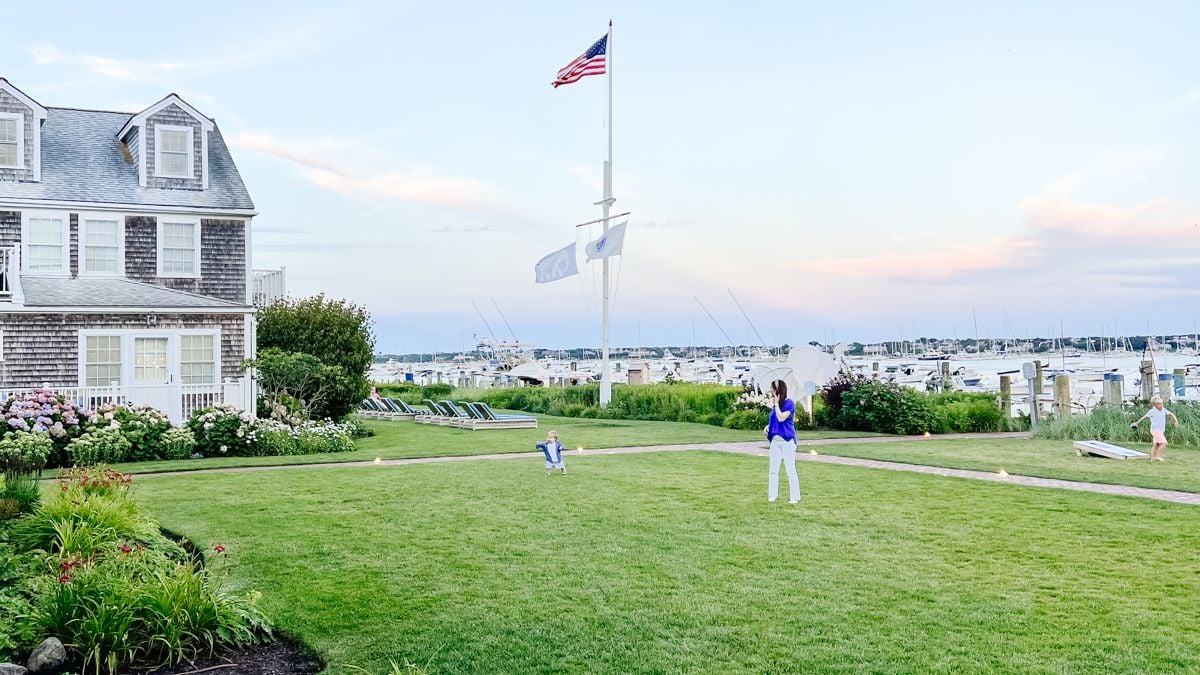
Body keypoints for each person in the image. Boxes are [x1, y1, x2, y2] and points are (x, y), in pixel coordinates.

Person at [763, 380, 800, 503]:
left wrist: (777, 404)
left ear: (779, 391)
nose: (771, 392)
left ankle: (794, 497)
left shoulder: (789, 403)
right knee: (773, 470)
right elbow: (775, 420)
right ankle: (772, 495)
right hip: (775, 441)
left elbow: (781, 417)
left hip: (787, 440)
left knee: (790, 469)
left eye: (773, 389)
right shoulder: (775, 406)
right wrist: (768, 427)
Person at [1131, 396, 1180, 462]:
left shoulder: (1163, 409)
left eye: (1161, 404)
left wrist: (1176, 421)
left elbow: (1171, 414)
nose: (1161, 405)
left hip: (1160, 430)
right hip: (1155, 430)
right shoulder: (1152, 411)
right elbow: (1144, 417)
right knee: (1164, 443)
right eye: (1159, 404)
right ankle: (1158, 456)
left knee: (1156, 444)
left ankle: (1152, 458)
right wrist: (1136, 423)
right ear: (1154, 405)